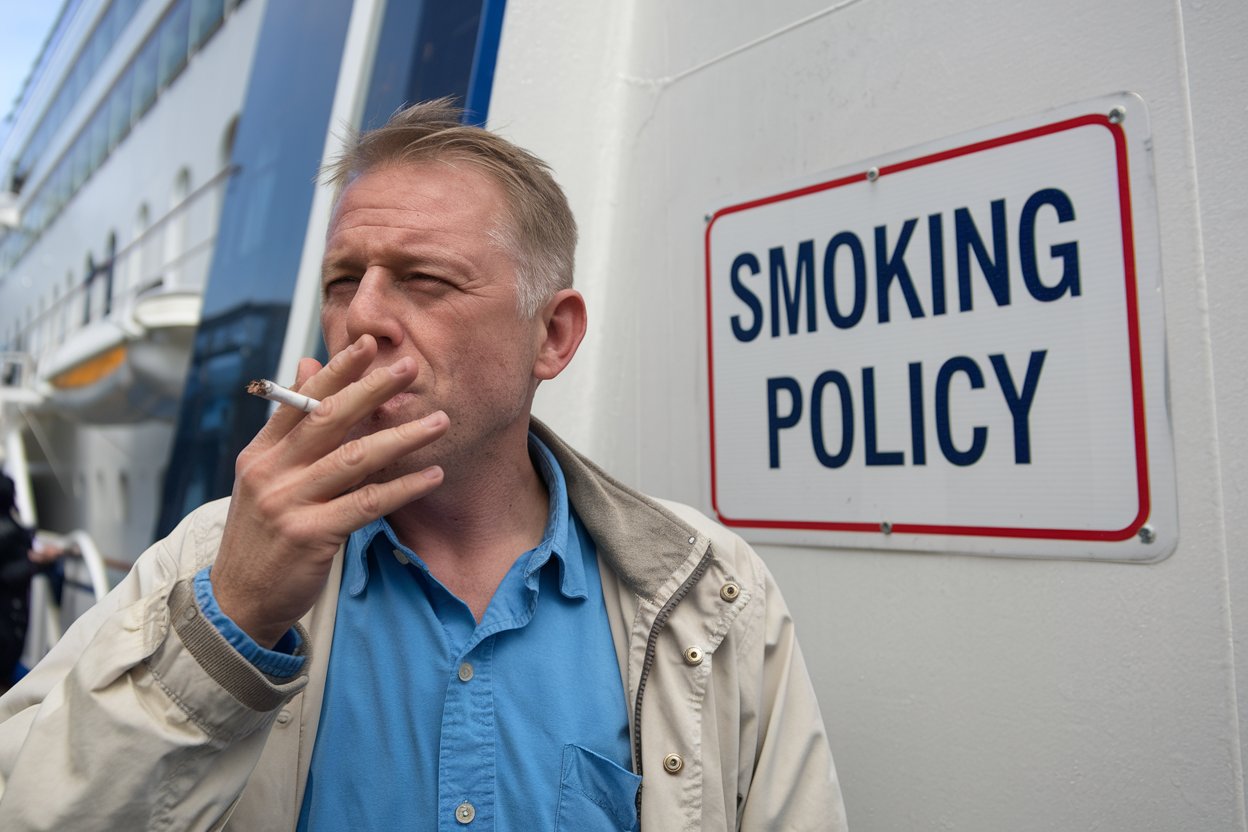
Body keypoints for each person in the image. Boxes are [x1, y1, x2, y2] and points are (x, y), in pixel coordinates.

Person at [0, 99, 846, 830]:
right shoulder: (209, 564)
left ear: (551, 336)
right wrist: (232, 623)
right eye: (342, 280)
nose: (362, 318)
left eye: (424, 279)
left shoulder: (707, 590)